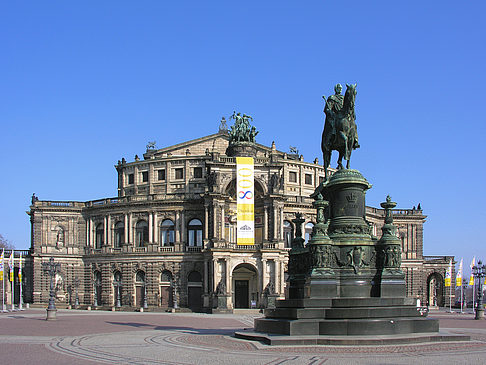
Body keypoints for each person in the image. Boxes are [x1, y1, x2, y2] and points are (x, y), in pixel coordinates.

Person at [322, 84, 344, 150]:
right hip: (334, 116)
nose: (340, 89)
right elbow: (327, 109)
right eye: (339, 88)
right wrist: (330, 112)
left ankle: (355, 140)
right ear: (335, 89)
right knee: (332, 125)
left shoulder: (344, 98)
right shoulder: (332, 98)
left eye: (341, 88)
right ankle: (328, 140)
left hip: (342, 117)